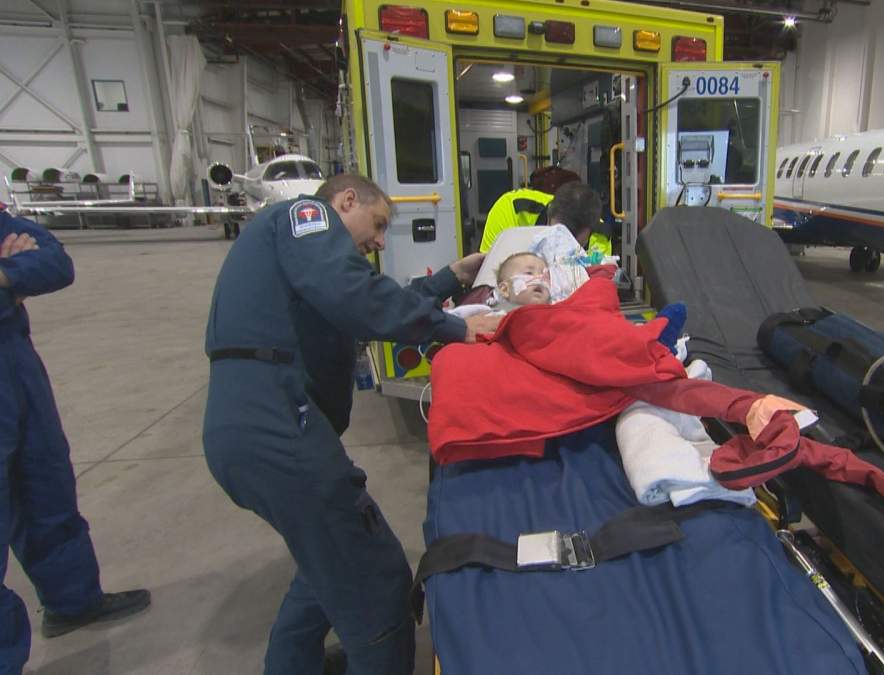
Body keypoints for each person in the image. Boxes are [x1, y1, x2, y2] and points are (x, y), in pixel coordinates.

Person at [201, 173, 501, 675]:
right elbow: (358, 296)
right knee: (375, 577)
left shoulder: (305, 270)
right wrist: (456, 329)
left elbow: (374, 299)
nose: (380, 241)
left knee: (321, 568)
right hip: (275, 425)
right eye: (378, 223)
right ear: (345, 201)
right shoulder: (306, 217)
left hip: (252, 428)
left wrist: (452, 277)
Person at [0, 209, 151, 672]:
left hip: (15, 363)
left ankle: (73, 601)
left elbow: (55, 263)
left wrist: (7, 278)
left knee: (46, 487)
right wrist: (10, 279)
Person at [478, 167, 612, 256]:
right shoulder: (511, 207)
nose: (563, 248)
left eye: (574, 244)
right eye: (558, 236)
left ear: (589, 232)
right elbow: (490, 274)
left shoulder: (600, 238)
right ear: (549, 213)